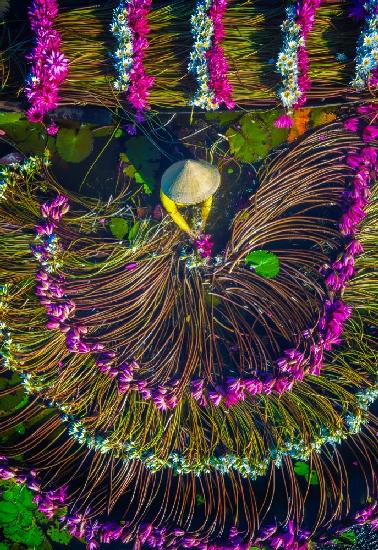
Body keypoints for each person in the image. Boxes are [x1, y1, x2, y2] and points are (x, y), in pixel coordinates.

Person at [160, 159, 221, 239]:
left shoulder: (205, 185)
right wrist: (188, 230)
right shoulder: (167, 191)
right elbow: (173, 212)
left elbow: (206, 205)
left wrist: (203, 222)